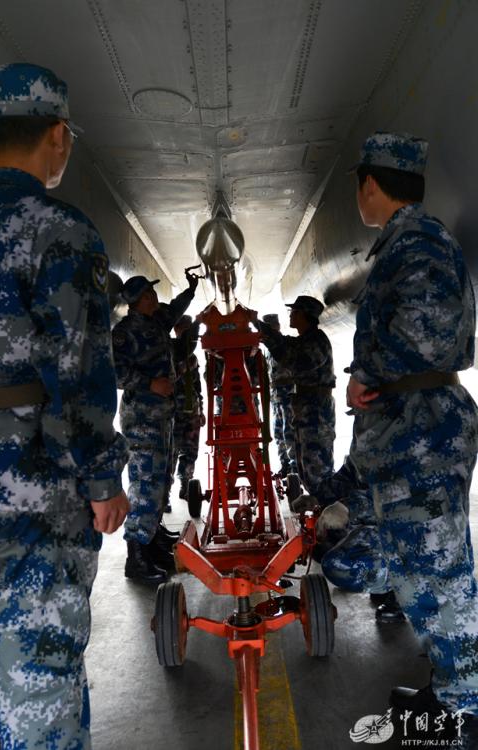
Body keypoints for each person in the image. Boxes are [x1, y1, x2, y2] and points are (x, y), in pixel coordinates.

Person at [0, 63, 129, 749]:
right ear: (59, 137)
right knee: (39, 702)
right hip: (34, 504)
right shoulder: (63, 231)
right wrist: (104, 481)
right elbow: (81, 369)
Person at [346, 131, 478, 731]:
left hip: (420, 431)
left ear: (371, 186)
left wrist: (367, 375)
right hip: (415, 427)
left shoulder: (416, 242)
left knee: (438, 573)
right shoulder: (408, 240)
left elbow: (425, 336)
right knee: (434, 567)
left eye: (360, 190)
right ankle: (455, 687)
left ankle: (465, 708)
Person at [112, 271, 198, 584]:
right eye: (150, 293)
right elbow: (116, 373)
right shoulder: (124, 333)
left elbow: (174, 309)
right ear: (141, 299)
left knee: (160, 479)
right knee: (144, 484)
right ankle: (136, 557)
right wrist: (150, 383)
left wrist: (191, 290)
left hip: (163, 417)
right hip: (143, 419)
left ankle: (153, 538)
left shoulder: (157, 320)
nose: (155, 297)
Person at [258, 296, 336, 495]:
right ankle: (319, 504)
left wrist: (258, 326)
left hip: (316, 411)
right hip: (306, 408)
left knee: (318, 465)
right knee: (306, 465)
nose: (290, 315)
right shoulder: (305, 339)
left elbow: (292, 358)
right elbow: (283, 344)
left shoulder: (316, 341)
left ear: (304, 315)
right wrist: (257, 326)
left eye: (294, 312)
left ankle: (328, 508)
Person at [171, 314, 205, 502]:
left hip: (191, 411)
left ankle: (186, 484)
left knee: (190, 451)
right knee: (172, 452)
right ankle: (165, 495)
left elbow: (198, 387)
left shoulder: (193, 357)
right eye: (183, 329)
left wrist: (202, 411)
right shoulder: (170, 353)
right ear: (176, 330)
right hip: (174, 411)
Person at [262, 313, 299, 480]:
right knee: (278, 433)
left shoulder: (284, 345)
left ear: (278, 326)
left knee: (289, 431)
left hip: (288, 394)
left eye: (272, 326)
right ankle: (285, 464)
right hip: (275, 396)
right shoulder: (268, 350)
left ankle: (294, 468)